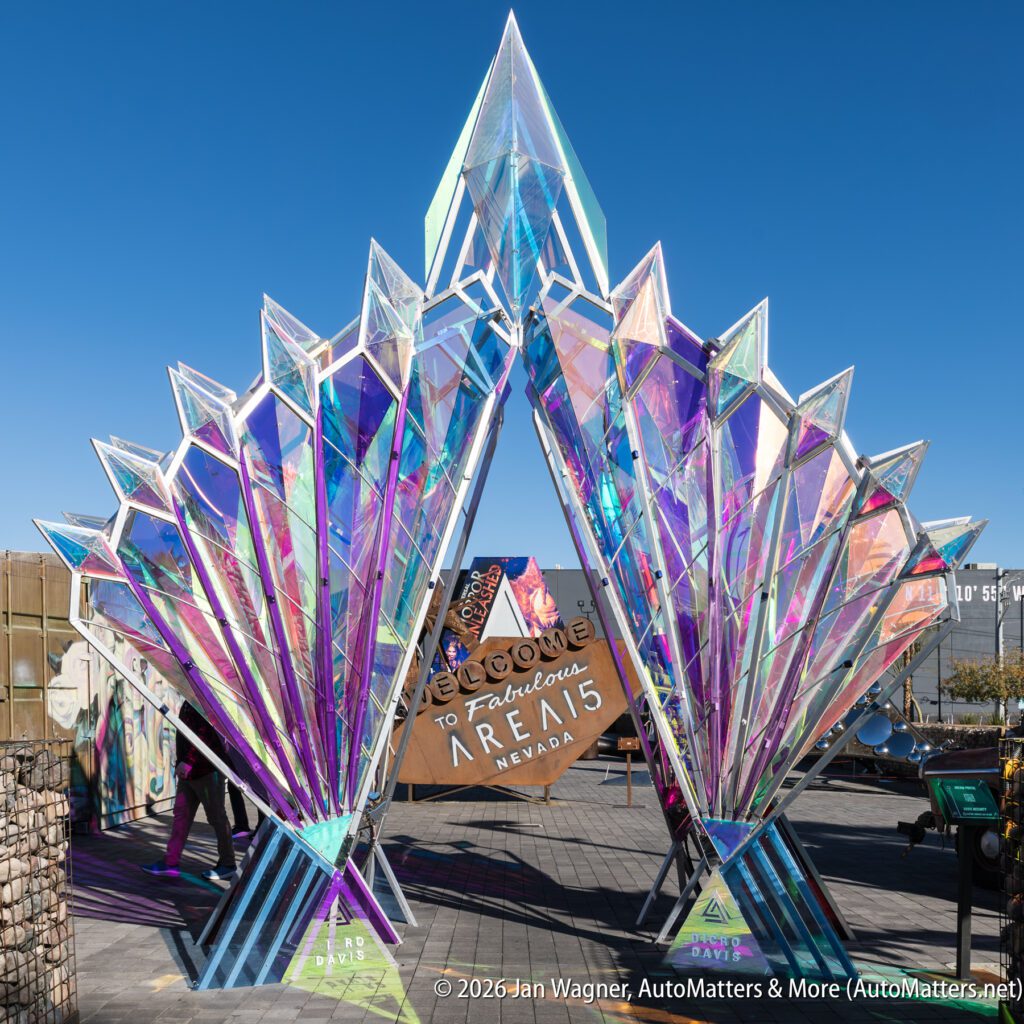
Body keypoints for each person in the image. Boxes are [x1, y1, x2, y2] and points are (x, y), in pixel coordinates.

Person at [143, 702, 237, 881]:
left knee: (217, 817)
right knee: (181, 816)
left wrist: (188, 761)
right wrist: (183, 761)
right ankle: (171, 861)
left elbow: (204, 734)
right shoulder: (189, 700)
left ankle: (228, 863)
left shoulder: (201, 699)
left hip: (207, 771)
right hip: (190, 772)